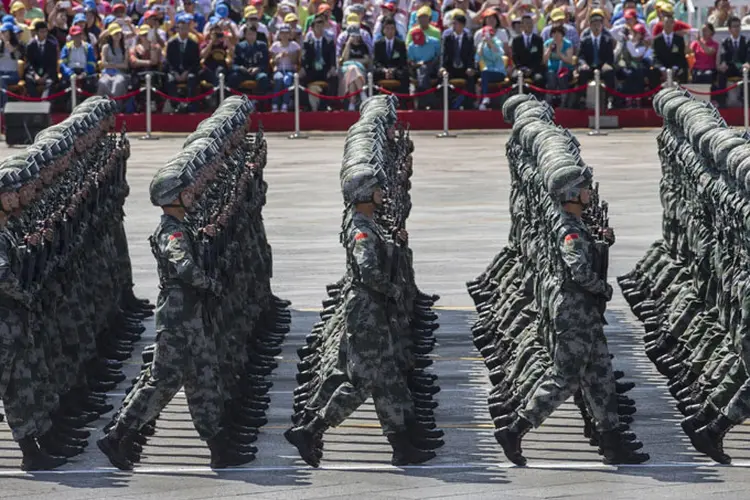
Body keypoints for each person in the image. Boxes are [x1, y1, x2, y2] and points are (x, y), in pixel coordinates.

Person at [495, 165, 650, 467]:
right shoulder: (569, 230)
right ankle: (515, 429)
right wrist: (601, 287)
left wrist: (601, 241)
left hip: (584, 313)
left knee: (600, 377)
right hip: (575, 313)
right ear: (571, 193)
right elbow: (578, 269)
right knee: (565, 379)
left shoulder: (573, 224)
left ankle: (613, 444)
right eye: (584, 187)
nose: (588, 192)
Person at [284, 168, 435, 468]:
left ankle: (402, 447)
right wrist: (391, 289)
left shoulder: (368, 223)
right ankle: (310, 430)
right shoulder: (361, 228)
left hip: (371, 309)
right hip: (367, 311)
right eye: (376, 187)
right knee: (364, 382)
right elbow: (367, 270)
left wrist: (394, 243)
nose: (381, 190)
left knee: (389, 380)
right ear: (364, 193)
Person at [97, 168, 246, 472]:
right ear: (172, 197)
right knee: (162, 382)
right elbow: (184, 267)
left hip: (189, 315)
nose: (191, 195)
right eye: (185, 192)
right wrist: (210, 284)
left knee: (203, 379)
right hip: (178, 318)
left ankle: (219, 448)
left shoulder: (181, 226)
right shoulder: (171, 232)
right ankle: (117, 436)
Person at [577, 10, 616, 108]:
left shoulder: (607, 40)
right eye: (594, 24)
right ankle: (582, 98)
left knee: (610, 73)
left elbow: (610, 56)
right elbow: (580, 56)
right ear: (590, 25)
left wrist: (607, 64)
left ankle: (609, 99)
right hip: (589, 66)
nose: (596, 27)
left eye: (598, 24)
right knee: (582, 73)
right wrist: (583, 64)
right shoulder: (585, 40)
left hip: (602, 66)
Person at [300, 13, 337, 110]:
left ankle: (329, 104)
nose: (319, 27)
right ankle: (305, 105)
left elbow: (332, 58)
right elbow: (304, 58)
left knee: (334, 77)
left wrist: (332, 67)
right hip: (312, 70)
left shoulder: (329, 42)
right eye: (317, 25)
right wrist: (303, 68)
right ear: (312, 27)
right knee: (300, 79)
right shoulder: (307, 43)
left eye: (321, 25)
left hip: (325, 70)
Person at [164, 16, 200, 112]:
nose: (183, 30)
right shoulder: (171, 44)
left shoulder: (194, 44)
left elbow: (196, 62)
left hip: (188, 71)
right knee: (170, 79)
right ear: (177, 29)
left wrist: (187, 72)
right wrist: (175, 72)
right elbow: (168, 61)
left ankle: (190, 104)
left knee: (192, 78)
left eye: (185, 28)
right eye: (180, 28)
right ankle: (175, 104)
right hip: (175, 71)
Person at [440, 13, 475, 109]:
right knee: (442, 80)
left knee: (471, 79)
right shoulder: (448, 38)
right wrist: (442, 67)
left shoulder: (468, 38)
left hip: (464, 68)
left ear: (463, 25)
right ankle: (447, 106)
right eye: (453, 24)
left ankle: (469, 106)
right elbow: (444, 54)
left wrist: (470, 67)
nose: (454, 26)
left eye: (456, 24)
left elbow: (471, 55)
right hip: (451, 68)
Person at [615, 23, 651, 107]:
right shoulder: (627, 40)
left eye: (637, 33)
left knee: (635, 74)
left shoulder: (642, 45)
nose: (634, 34)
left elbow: (635, 54)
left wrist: (627, 41)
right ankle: (626, 98)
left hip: (638, 68)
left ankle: (636, 99)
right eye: (633, 32)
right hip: (625, 66)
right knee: (626, 73)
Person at [716, 16, 748, 107]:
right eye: (734, 26)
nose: (736, 28)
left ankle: (746, 102)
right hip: (730, 68)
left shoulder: (746, 41)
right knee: (721, 74)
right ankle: (722, 103)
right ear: (729, 29)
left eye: (738, 26)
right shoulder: (725, 41)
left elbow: (748, 55)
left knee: (747, 73)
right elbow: (723, 55)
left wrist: (747, 63)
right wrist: (723, 63)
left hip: (742, 67)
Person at [229, 24, 269, 95]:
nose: (252, 36)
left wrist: (258, 68)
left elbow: (265, 63)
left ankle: (258, 100)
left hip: (257, 72)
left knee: (263, 78)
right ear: (245, 35)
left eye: (253, 34)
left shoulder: (262, 46)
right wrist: (240, 68)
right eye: (249, 34)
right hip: (244, 72)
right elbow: (234, 64)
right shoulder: (240, 46)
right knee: (233, 77)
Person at [373, 18, 408, 100]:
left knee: (405, 74)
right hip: (383, 70)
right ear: (383, 30)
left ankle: (403, 101)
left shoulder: (400, 44)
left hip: (396, 70)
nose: (390, 31)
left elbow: (403, 62)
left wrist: (393, 70)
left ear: (395, 30)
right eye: (387, 28)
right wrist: (384, 70)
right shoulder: (378, 44)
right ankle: (375, 100)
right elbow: (376, 62)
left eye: (392, 28)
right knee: (373, 74)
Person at [339, 24, 370, 111]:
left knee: (353, 70)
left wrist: (354, 61)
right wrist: (348, 44)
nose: (355, 37)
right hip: (347, 70)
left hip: (360, 70)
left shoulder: (363, 46)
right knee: (352, 69)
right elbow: (344, 59)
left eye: (357, 35)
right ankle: (362, 93)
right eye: (353, 35)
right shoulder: (345, 46)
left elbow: (366, 60)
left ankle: (352, 103)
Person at [511, 13, 545, 92]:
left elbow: (539, 57)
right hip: (521, 68)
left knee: (539, 79)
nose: (529, 25)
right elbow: (515, 57)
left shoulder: (538, 39)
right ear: (522, 25)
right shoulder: (516, 40)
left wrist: (531, 69)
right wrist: (523, 68)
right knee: (514, 77)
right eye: (527, 23)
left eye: (530, 23)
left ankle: (537, 100)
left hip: (534, 69)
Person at [269, 23, 300, 112]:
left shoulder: (294, 45)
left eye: (286, 33)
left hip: (289, 69)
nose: (284, 35)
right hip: (278, 70)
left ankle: (285, 104)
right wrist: (278, 57)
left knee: (287, 80)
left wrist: (290, 55)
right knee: (278, 79)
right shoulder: (275, 46)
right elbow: (272, 62)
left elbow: (296, 61)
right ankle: (275, 104)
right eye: (282, 33)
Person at [24, 20, 58, 98]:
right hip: (35, 73)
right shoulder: (30, 45)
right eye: (41, 32)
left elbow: (53, 64)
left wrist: (45, 76)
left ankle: (44, 103)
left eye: (45, 31)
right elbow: (29, 63)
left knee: (50, 82)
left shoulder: (52, 45)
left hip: (48, 73)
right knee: (28, 79)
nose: (44, 34)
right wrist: (35, 75)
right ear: (36, 32)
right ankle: (35, 102)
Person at [407, 26, 439, 109]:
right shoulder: (411, 46)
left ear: (424, 36)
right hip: (417, 68)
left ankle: (422, 96)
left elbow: (438, 57)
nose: (420, 43)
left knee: (424, 69)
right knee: (422, 70)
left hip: (432, 66)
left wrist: (426, 63)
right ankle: (428, 98)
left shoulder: (434, 42)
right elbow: (411, 61)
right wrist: (416, 64)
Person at [98, 24, 131, 105]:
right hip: (107, 73)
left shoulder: (125, 48)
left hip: (121, 73)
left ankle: (116, 107)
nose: (117, 35)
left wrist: (111, 64)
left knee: (118, 83)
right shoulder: (105, 47)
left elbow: (125, 65)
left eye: (119, 33)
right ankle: (103, 108)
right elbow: (103, 63)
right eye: (115, 34)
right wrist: (117, 65)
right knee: (103, 82)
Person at [60, 25, 97, 95]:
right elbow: (63, 64)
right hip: (71, 72)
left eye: (79, 35)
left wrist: (85, 73)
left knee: (90, 86)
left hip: (84, 72)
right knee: (63, 85)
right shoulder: (66, 48)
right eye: (75, 35)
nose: (78, 37)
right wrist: (70, 74)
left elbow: (91, 63)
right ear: (71, 36)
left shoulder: (88, 47)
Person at [475, 25, 505, 111]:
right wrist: (482, 45)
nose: (489, 37)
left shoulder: (498, 42)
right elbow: (477, 58)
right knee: (484, 73)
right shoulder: (481, 45)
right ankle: (484, 99)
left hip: (499, 72)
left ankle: (484, 98)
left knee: (485, 74)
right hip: (487, 72)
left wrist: (491, 44)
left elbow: (499, 54)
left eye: (491, 35)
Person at [652, 13, 688, 84]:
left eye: (670, 22)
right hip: (662, 66)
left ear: (674, 24)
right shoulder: (657, 39)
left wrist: (675, 68)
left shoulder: (679, 39)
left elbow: (681, 56)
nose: (668, 25)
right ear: (663, 24)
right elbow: (655, 56)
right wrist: (662, 69)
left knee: (683, 71)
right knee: (653, 72)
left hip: (675, 66)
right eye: (666, 22)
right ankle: (655, 94)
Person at [543, 24, 574, 107]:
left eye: (558, 33)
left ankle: (563, 102)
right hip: (551, 69)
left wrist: (559, 53)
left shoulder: (568, 44)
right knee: (551, 77)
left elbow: (569, 60)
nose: (556, 35)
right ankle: (548, 102)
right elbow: (544, 60)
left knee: (562, 77)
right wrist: (549, 49)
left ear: (562, 34)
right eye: (554, 33)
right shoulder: (548, 43)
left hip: (564, 69)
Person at [129, 24, 163, 93]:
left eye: (147, 34)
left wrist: (152, 46)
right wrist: (149, 62)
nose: (145, 37)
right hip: (139, 73)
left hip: (154, 73)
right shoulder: (134, 48)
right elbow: (134, 62)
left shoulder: (156, 47)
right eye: (143, 35)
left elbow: (155, 61)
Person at [199, 22, 232, 89]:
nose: (217, 36)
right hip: (209, 68)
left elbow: (232, 53)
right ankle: (217, 89)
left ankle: (216, 91)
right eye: (215, 34)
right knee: (202, 72)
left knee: (220, 70)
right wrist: (211, 42)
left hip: (221, 68)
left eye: (218, 34)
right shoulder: (205, 44)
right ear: (210, 34)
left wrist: (227, 40)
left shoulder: (224, 44)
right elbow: (203, 56)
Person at [0, 22, 24, 110]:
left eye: (4, 32)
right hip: (1, 73)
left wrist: (6, 41)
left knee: (1, 80)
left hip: (13, 74)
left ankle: (3, 106)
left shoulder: (17, 45)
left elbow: (15, 55)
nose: (2, 34)